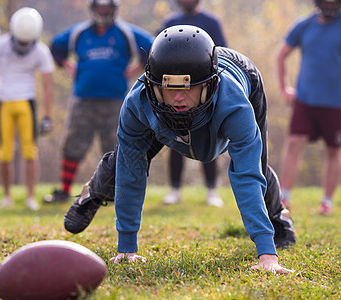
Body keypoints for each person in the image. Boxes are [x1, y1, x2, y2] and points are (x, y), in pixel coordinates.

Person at [63, 25, 296, 273]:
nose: (178, 98)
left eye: (186, 88)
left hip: (242, 74)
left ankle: (277, 218)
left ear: (208, 86)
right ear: (154, 85)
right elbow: (131, 170)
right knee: (124, 162)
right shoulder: (138, 103)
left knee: (255, 164)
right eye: (170, 88)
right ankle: (93, 192)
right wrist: (126, 248)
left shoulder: (235, 105)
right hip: (168, 111)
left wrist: (266, 255)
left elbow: (246, 175)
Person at [43, 0, 154, 203]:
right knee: (72, 144)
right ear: (93, 9)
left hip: (115, 101)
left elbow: (152, 47)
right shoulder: (79, 33)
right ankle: (64, 191)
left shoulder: (126, 33)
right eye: (99, 8)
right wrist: (67, 64)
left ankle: (115, 192)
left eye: (107, 8)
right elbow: (55, 45)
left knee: (116, 147)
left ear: (114, 9)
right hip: (83, 100)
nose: (103, 12)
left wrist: (136, 68)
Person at [277, 0, 341, 215]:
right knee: (294, 142)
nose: (330, 5)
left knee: (334, 150)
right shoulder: (304, 25)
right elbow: (282, 54)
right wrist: (285, 88)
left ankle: (327, 202)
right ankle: (284, 198)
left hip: (336, 103)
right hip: (305, 100)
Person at [0, 7, 55, 211]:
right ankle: (7, 196)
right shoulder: (0, 45)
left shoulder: (40, 51)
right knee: (4, 153)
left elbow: (47, 85)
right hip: (3, 102)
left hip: (26, 103)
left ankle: (30, 197)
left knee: (30, 151)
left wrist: (47, 116)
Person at [158, 0, 227, 207]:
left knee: (208, 137)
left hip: (202, 89)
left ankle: (212, 190)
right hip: (175, 88)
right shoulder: (170, 21)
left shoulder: (210, 21)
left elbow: (221, 52)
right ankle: (175, 189)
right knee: (176, 137)